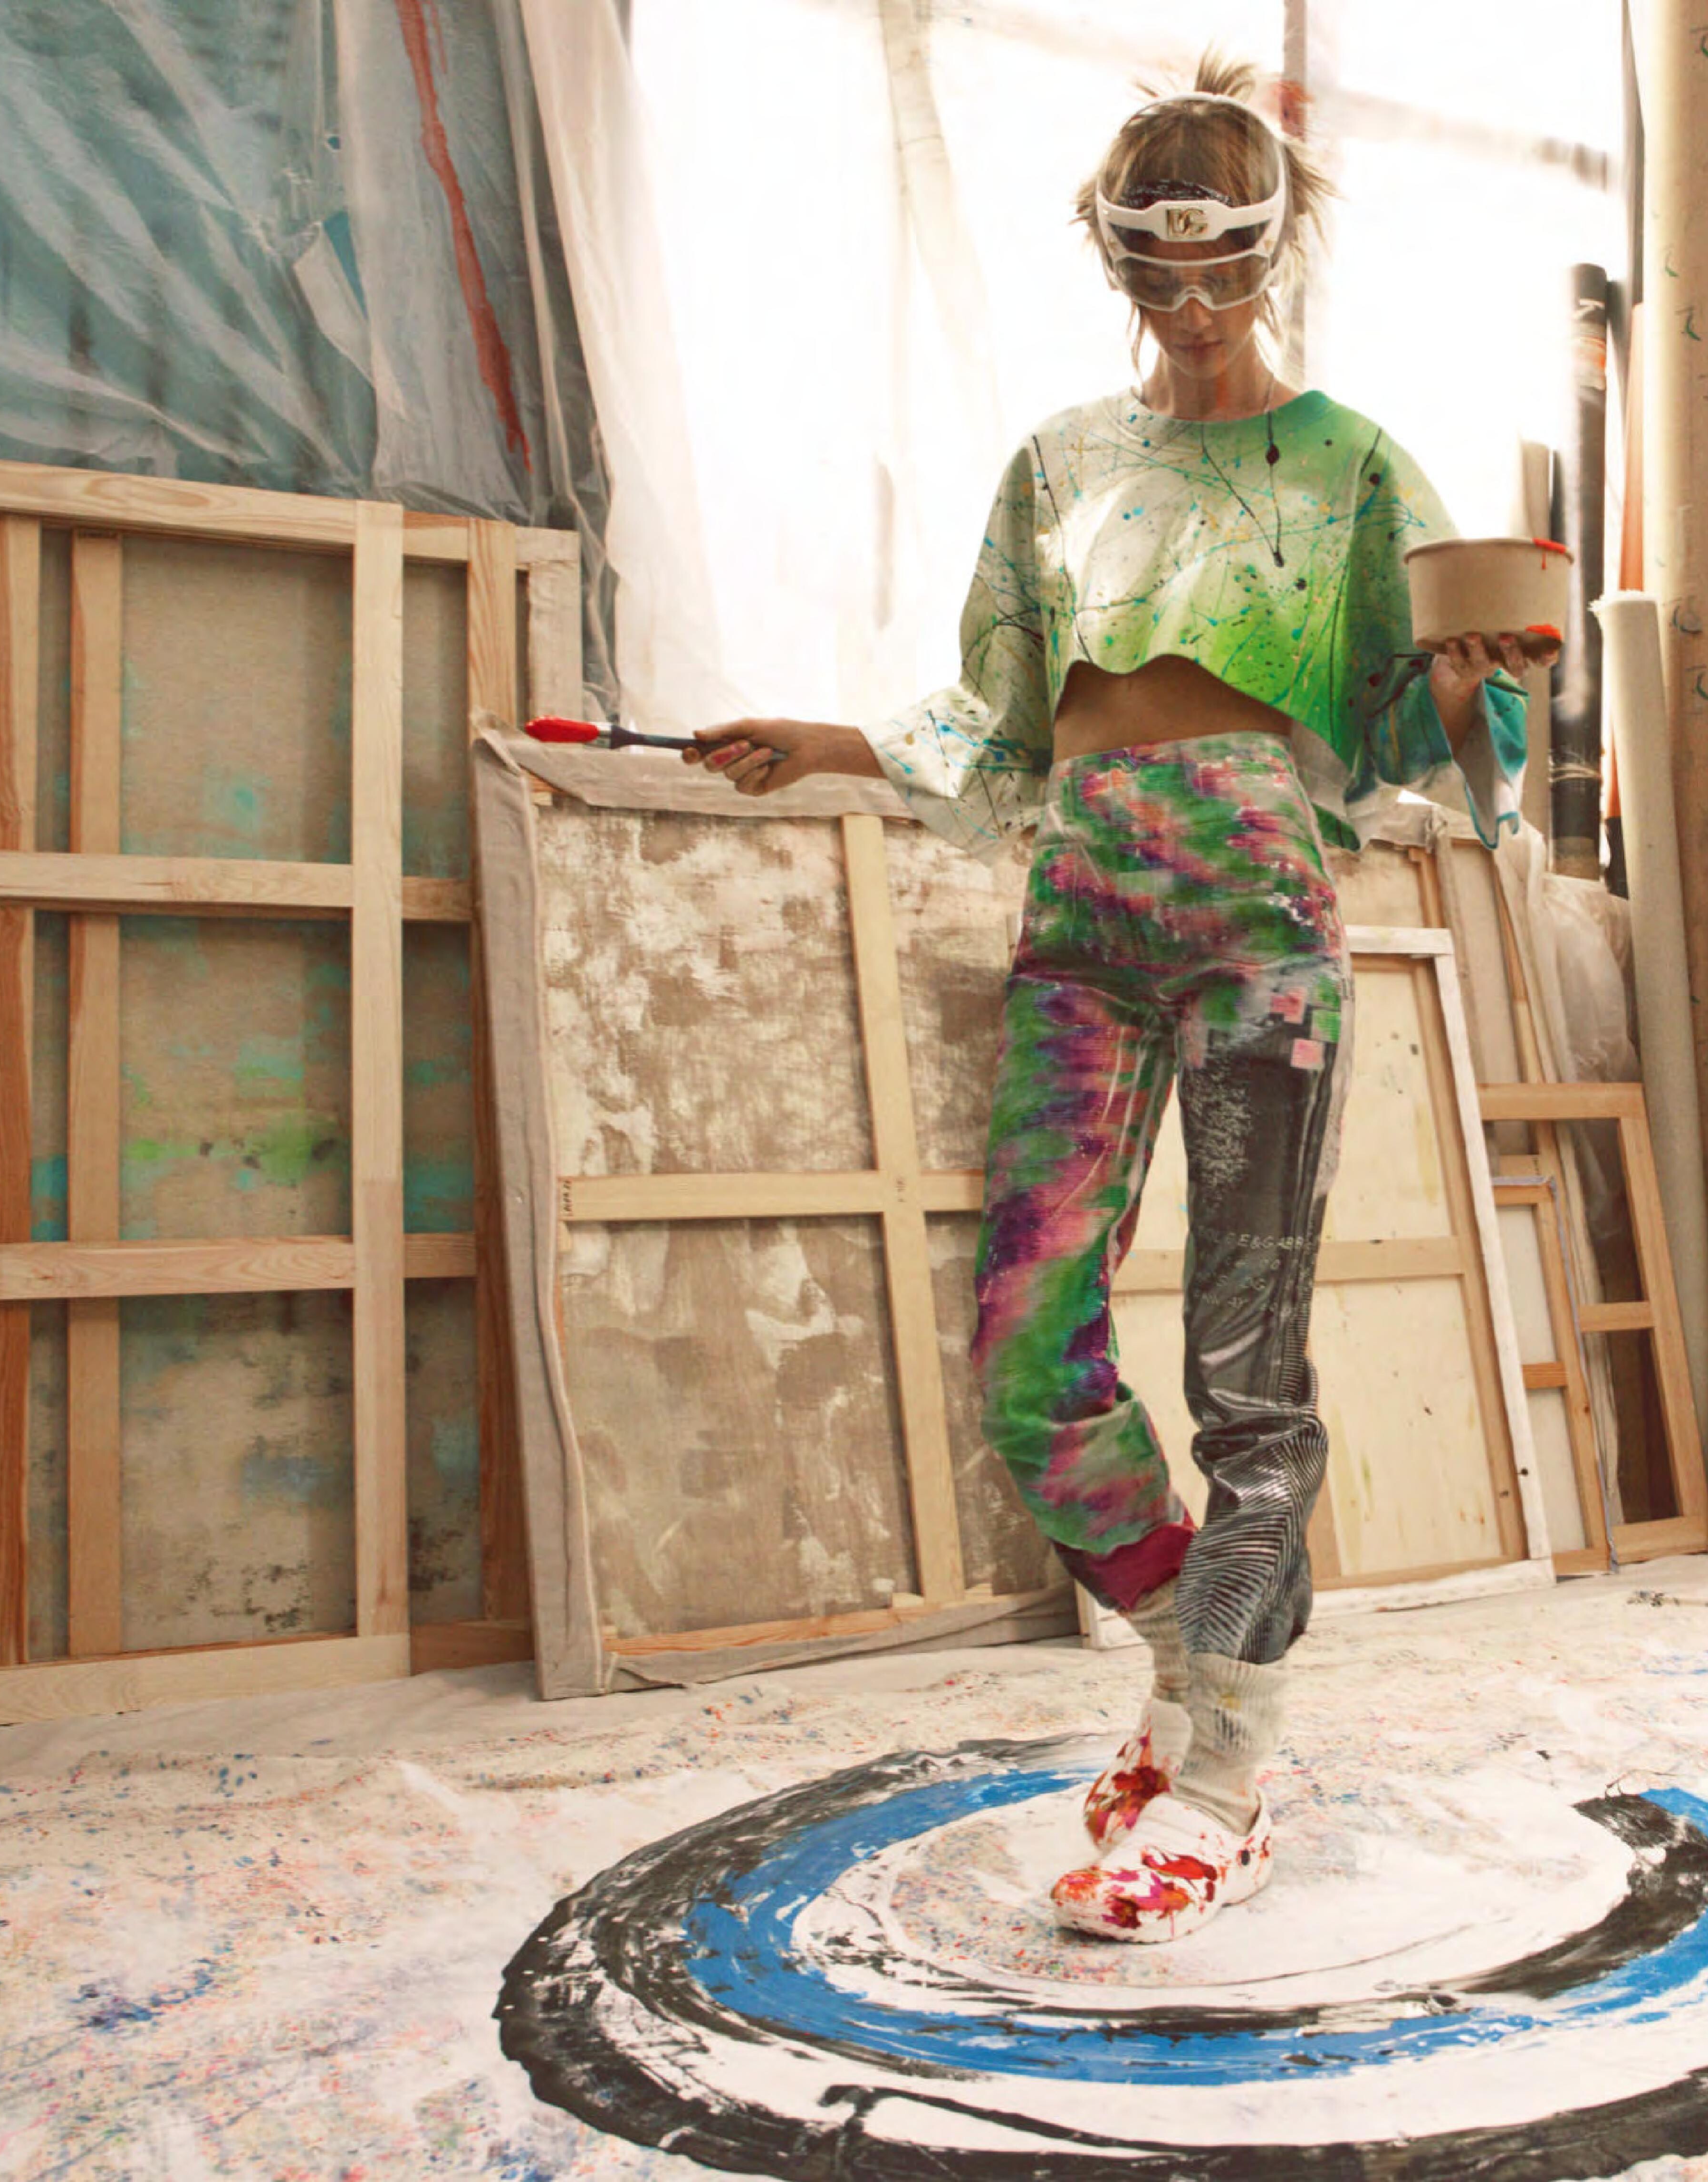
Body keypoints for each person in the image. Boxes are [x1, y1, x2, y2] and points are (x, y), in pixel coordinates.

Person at [686, 53, 1544, 1944]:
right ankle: (1191, 1660)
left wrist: (1471, 681)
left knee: (1247, 1366)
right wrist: (830, 740)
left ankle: (1224, 1774)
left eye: (1223, 263)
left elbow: (1432, 720)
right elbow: (1000, 714)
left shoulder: (1351, 464)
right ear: (1115, 260)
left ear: (1272, 247)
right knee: (1023, 1350)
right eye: (1157, 268)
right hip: (1080, 913)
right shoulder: (1060, 464)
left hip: (1257, 929)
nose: (1192, 300)